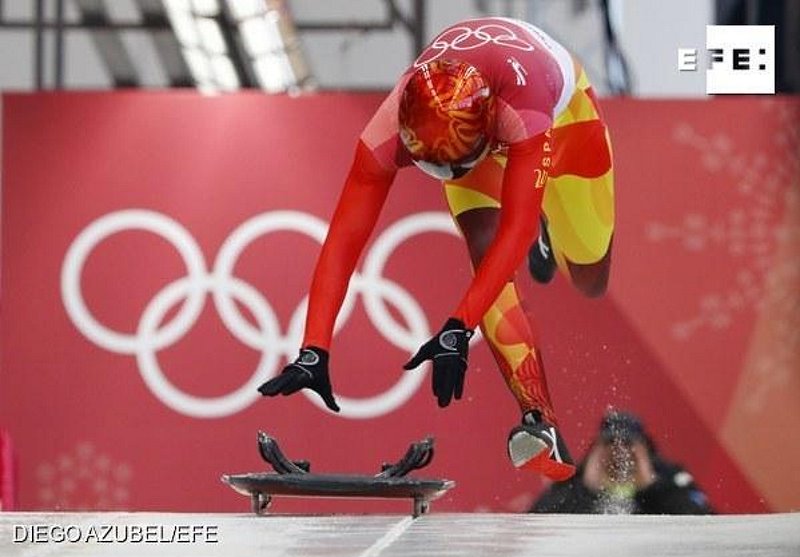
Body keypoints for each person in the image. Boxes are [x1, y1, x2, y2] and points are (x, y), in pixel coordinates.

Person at [258, 16, 615, 482]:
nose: (448, 175)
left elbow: (517, 228)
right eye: (434, 167)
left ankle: (548, 217)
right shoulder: (387, 128)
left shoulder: (523, 110)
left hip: (564, 122)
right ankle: (538, 418)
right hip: (490, 130)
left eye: (456, 165)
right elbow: (344, 243)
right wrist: (313, 348)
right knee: (486, 255)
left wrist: (457, 326)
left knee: (590, 273)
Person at [530, 411, 714, 514]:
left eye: (629, 443)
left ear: (645, 449)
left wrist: (650, 487)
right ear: (596, 449)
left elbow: (705, 523)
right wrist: (587, 489)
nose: (620, 452)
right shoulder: (572, 482)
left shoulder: (671, 478)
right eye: (609, 443)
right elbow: (537, 522)